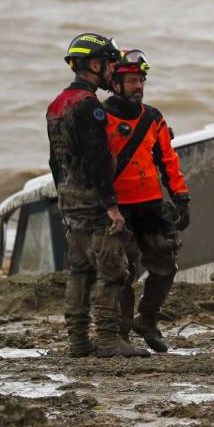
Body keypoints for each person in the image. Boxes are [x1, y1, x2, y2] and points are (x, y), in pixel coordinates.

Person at [47, 33, 148, 358]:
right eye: (109, 64)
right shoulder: (90, 107)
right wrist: (112, 206)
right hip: (93, 201)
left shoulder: (57, 104)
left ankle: (78, 341)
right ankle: (107, 340)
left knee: (78, 270)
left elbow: (54, 159)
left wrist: (64, 192)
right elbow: (98, 161)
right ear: (93, 64)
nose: (113, 71)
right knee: (112, 270)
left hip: (68, 197)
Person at [103, 49, 190, 353]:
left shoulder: (153, 117)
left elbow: (168, 160)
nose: (138, 86)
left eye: (141, 80)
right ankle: (123, 332)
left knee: (166, 265)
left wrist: (181, 197)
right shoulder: (100, 118)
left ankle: (148, 319)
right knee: (123, 272)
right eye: (132, 81)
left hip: (151, 205)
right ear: (115, 83)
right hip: (118, 209)